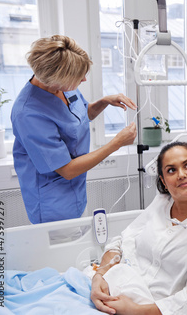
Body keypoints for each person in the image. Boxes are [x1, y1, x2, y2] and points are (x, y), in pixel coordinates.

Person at [90, 142, 187, 315]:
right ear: (163, 180)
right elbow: (121, 242)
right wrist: (99, 277)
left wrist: (136, 311)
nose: (181, 175)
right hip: (109, 290)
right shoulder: (161, 203)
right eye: (171, 170)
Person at [11, 35, 137, 224]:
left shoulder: (62, 87)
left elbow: (77, 118)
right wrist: (117, 143)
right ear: (55, 79)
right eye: (79, 77)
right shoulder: (28, 114)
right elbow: (67, 170)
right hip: (52, 205)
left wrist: (104, 102)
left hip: (76, 193)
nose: (84, 79)